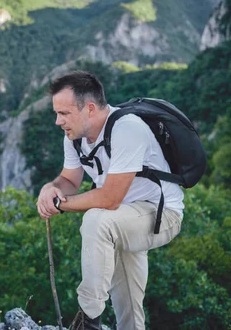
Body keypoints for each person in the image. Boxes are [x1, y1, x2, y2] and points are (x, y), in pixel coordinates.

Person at [37, 70, 183, 330]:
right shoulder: (75, 138)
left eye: (64, 113)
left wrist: (60, 205)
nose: (58, 121)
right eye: (57, 114)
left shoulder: (127, 128)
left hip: (161, 215)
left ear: (90, 109)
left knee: (97, 220)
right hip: (123, 218)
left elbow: (110, 198)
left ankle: (88, 321)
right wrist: (51, 188)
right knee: (127, 305)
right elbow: (69, 180)